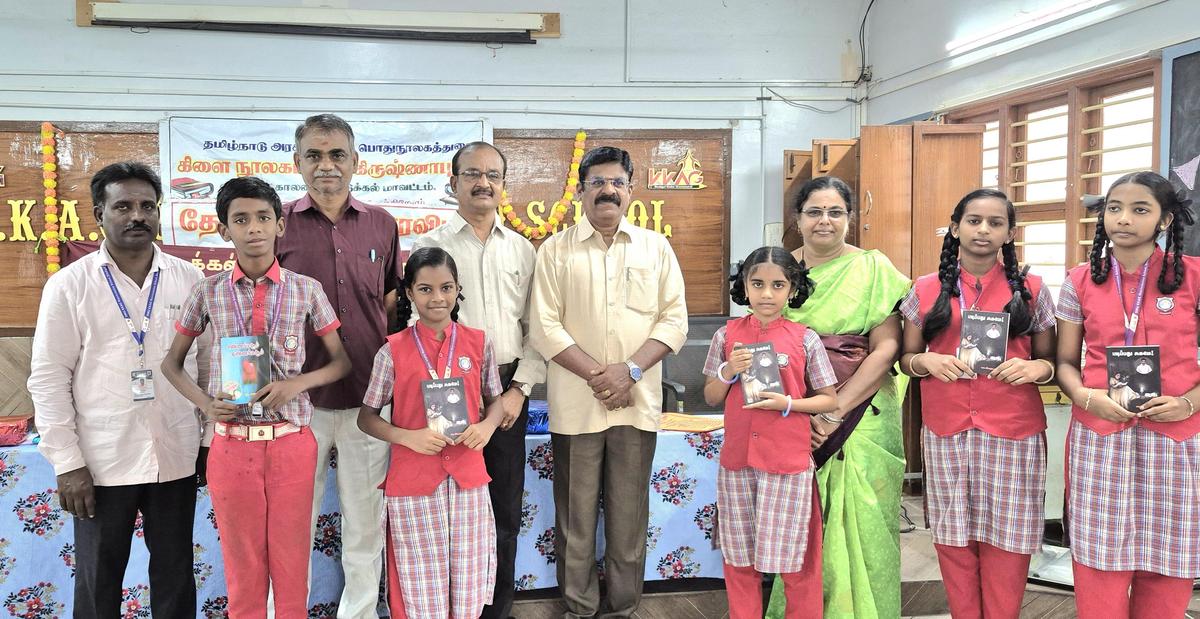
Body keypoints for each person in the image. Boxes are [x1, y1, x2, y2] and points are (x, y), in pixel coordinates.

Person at [161, 176, 351, 618]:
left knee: (290, 561)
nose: (254, 229)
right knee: (242, 565)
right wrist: (206, 405)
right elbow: (171, 364)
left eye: (264, 217)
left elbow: (341, 363)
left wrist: (296, 384)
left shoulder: (306, 289)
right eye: (241, 219)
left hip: (291, 442)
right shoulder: (207, 291)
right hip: (231, 445)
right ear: (224, 230)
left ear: (280, 225)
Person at [28, 162, 208, 619]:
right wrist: (68, 464)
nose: (137, 215)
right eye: (123, 206)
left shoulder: (189, 281)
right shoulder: (69, 285)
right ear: (98, 214)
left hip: (176, 454)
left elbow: (208, 364)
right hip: (102, 463)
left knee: (174, 573)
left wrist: (207, 441)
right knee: (99, 577)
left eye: (147, 206)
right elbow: (49, 377)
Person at [529, 146, 688, 618]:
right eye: (597, 182)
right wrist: (602, 377)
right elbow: (544, 327)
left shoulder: (655, 248)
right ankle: (579, 609)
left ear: (630, 191)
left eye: (617, 182)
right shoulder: (555, 251)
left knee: (627, 517)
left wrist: (630, 371)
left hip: (636, 405)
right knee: (575, 520)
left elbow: (673, 320)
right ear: (581, 192)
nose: (607, 190)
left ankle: (622, 609)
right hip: (576, 405)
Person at [898, 189, 1056, 618]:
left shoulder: (1034, 289)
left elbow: (1053, 364)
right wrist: (925, 360)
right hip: (947, 431)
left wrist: (1034, 370)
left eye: (995, 222)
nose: (983, 229)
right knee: (954, 538)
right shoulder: (925, 289)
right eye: (973, 220)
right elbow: (906, 359)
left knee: (1010, 538)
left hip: (1014, 431)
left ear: (1008, 232)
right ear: (955, 228)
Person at [1054, 171, 1200, 618]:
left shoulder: (1194, 277)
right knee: (1099, 557)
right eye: (1114, 208)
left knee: (1168, 559)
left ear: (1164, 219)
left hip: (1175, 437)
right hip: (1100, 435)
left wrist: (1188, 402)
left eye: (1140, 210)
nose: (1123, 219)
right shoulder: (1079, 280)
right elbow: (1064, 363)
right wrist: (1086, 398)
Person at [766, 176, 911, 619]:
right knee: (797, 528)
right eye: (814, 212)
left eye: (835, 212)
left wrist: (834, 412)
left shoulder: (873, 268)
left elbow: (886, 347)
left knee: (863, 526)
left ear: (850, 218)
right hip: (791, 415)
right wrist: (796, 413)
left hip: (862, 415)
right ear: (797, 219)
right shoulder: (776, 271)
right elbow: (764, 343)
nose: (824, 221)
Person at [412, 141, 545, 619]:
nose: (482, 182)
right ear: (453, 183)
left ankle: (496, 611)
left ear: (503, 185)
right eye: (471, 173)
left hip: (508, 389)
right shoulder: (432, 247)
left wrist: (518, 389)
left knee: (503, 511)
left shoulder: (523, 250)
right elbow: (416, 326)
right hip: (447, 390)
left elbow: (537, 327)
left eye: (492, 174)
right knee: (448, 509)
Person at [277, 113, 399, 619]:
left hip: (369, 401)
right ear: (297, 162)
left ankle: (360, 612)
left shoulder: (381, 223)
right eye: (314, 155)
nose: (326, 166)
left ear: (355, 161)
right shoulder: (277, 221)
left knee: (365, 520)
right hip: (296, 403)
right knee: (292, 524)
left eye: (336, 155)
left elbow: (391, 303)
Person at [357, 247, 504, 619]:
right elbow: (367, 417)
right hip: (414, 481)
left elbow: (495, 401)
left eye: (446, 288)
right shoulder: (391, 351)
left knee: (469, 576)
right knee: (421, 582)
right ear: (408, 292)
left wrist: (486, 426)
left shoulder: (479, 342)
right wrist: (408, 437)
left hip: (469, 479)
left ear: (457, 290)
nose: (437, 298)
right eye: (425, 289)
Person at [702, 247, 839, 618]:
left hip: (788, 463)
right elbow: (712, 395)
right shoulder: (726, 335)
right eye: (757, 283)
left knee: (796, 561)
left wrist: (788, 403)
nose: (766, 293)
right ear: (743, 286)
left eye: (777, 285)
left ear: (792, 289)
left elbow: (828, 399)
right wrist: (729, 370)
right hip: (738, 464)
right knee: (739, 558)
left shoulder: (805, 338)